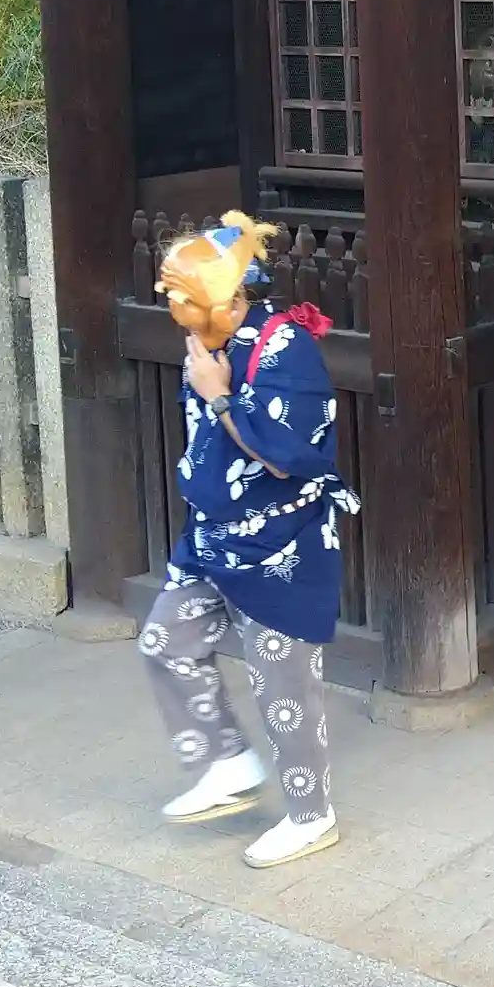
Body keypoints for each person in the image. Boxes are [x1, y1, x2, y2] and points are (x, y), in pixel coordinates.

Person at [139, 212, 359, 869]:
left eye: (187, 298)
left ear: (231, 297)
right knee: (165, 642)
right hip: (213, 538)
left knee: (283, 691)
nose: (178, 310)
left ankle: (311, 816)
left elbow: (286, 455)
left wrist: (220, 398)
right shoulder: (206, 344)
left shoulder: (286, 348)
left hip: (281, 545)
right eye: (174, 297)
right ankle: (227, 764)